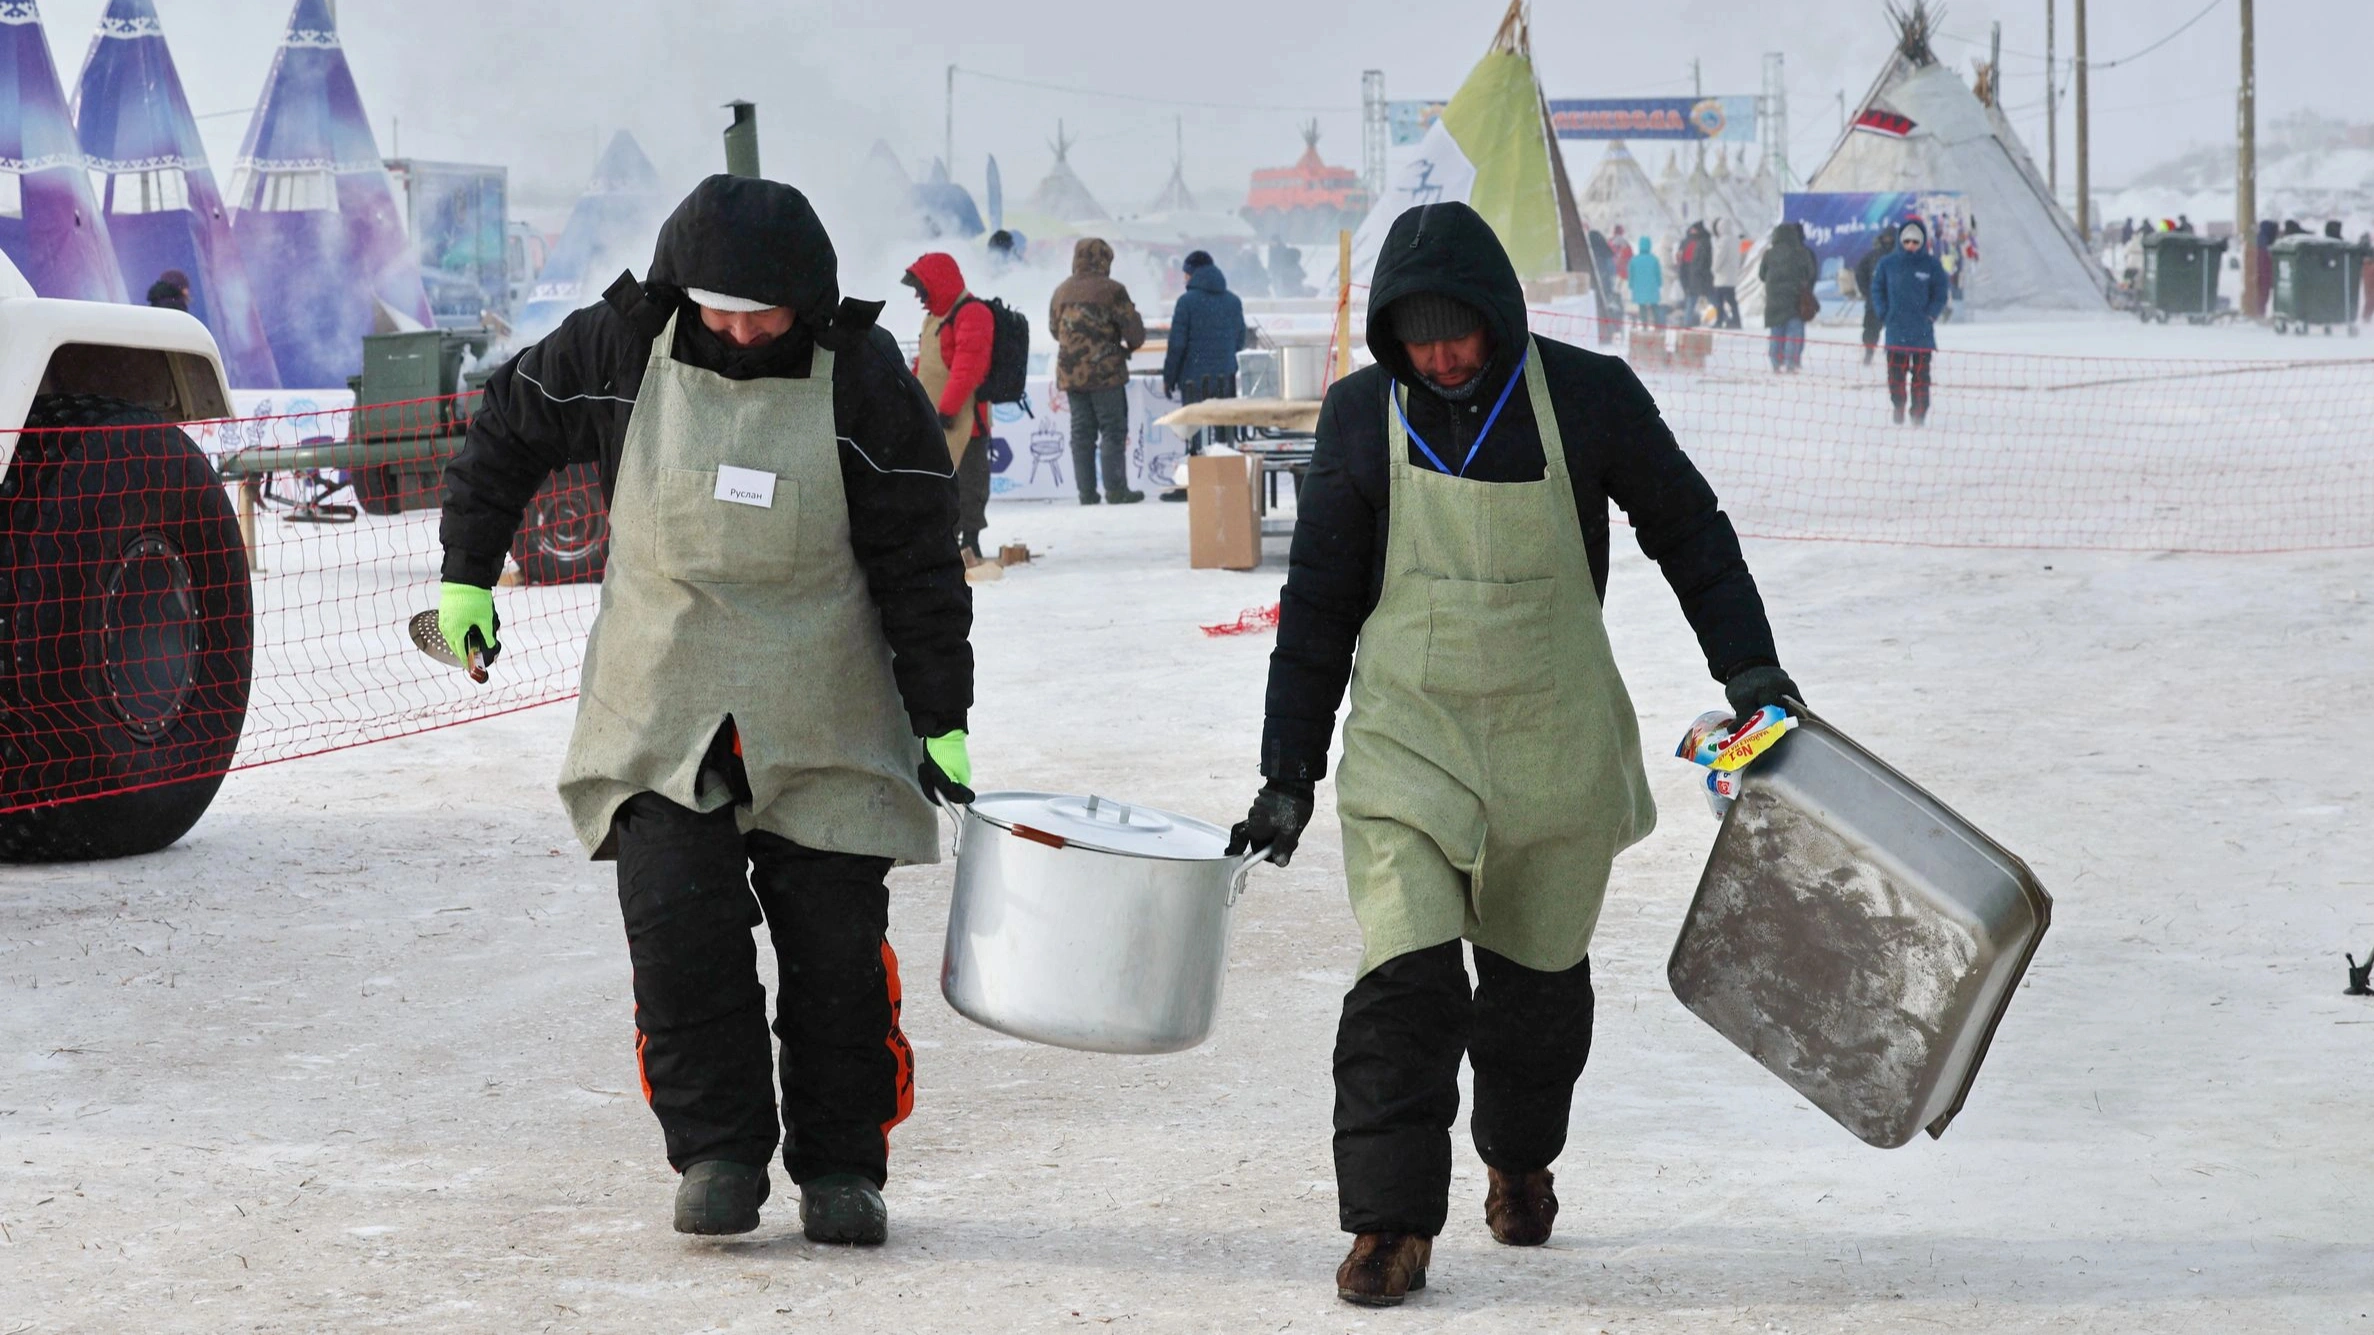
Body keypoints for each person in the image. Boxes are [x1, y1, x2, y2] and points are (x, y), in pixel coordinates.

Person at [1223, 201, 1798, 1309]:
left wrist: (1751, 671)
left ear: (1499, 318)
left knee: (1534, 1000)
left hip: (1554, 747)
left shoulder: (1587, 398)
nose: (1439, 357)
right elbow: (1319, 604)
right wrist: (1288, 769)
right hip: (1410, 745)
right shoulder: (1356, 418)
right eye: (1416, 339)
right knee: (1404, 985)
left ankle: (1519, 1157)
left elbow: (1688, 529)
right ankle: (1389, 1226)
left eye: (1459, 333)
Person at [436, 175, 974, 1245]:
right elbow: (506, 427)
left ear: (807, 303)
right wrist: (466, 575)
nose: (734, 330)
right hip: (660, 698)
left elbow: (919, 550)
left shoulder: (861, 375)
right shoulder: (619, 347)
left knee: (834, 957)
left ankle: (841, 1170)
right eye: (716, 307)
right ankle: (719, 1154)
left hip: (824, 703)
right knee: (681, 939)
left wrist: (940, 710)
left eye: (760, 314)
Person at [901, 252, 997, 562]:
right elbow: (923, 367)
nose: (918, 296)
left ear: (937, 284)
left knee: (968, 483)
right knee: (937, 485)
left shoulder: (973, 314)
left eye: (921, 288)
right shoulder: (934, 317)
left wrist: (948, 409)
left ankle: (970, 541)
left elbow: (968, 368)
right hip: (935, 419)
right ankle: (943, 541)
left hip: (964, 421)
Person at [1050, 237, 1146, 504]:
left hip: (1070, 372)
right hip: (1106, 373)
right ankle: (1116, 490)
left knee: (1081, 433)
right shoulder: (1112, 290)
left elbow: (1053, 329)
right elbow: (1134, 331)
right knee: (1112, 430)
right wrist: (1128, 346)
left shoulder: (1061, 291)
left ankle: (1086, 493)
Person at [1160, 249, 1249, 500]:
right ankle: (1226, 484)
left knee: (1194, 433)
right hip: (1226, 378)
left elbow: (1177, 344)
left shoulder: (1186, 302)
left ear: (1190, 274)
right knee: (1223, 432)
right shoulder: (1233, 301)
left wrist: (1169, 376)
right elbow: (1240, 340)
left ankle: (1196, 484)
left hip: (1193, 379)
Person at [1869, 218, 1951, 426]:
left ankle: (1919, 413)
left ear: (1922, 242)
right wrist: (1883, 312)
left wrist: (1931, 314)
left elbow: (1940, 293)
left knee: (1921, 377)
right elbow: (1877, 289)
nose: (1911, 246)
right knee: (1895, 375)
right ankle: (1899, 404)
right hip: (1896, 329)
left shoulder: (1932, 265)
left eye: (1915, 242)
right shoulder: (1888, 264)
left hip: (1922, 332)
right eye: (1907, 241)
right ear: (1900, 241)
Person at [1758, 222, 1816, 372]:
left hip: (1774, 299)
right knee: (1793, 332)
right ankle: (1791, 363)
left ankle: (1775, 363)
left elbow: (1762, 275)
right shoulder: (1801, 252)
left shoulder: (1769, 254)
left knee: (1776, 332)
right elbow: (1810, 273)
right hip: (1795, 298)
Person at [1854, 226, 1897, 365]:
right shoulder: (1873, 256)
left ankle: (1896, 355)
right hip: (1875, 301)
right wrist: (1866, 291)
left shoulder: (1902, 256)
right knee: (1871, 330)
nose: (1888, 240)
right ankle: (1869, 352)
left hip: (1897, 301)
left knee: (1897, 331)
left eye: (1890, 238)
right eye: (1885, 238)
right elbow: (1860, 272)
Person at [1677, 221, 1714, 328]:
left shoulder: (1688, 242)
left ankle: (1687, 322)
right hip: (1699, 275)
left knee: (1692, 299)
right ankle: (1720, 317)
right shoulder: (1705, 241)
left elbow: (1682, 260)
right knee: (1710, 298)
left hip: (1693, 274)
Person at [1709, 219, 1744, 330]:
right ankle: (1736, 320)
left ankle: (1719, 320)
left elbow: (1719, 258)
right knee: (1732, 300)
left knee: (1719, 300)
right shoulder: (1735, 240)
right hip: (1732, 275)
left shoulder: (1723, 241)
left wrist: (1714, 269)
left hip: (1722, 276)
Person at [1628, 234, 1664, 328]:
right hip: (1652, 287)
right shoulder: (1654, 259)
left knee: (1642, 307)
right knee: (1654, 307)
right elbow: (1658, 274)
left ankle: (1644, 326)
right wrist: (1660, 283)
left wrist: (1631, 285)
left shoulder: (1634, 260)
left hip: (1639, 288)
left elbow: (1631, 274)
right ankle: (1658, 325)